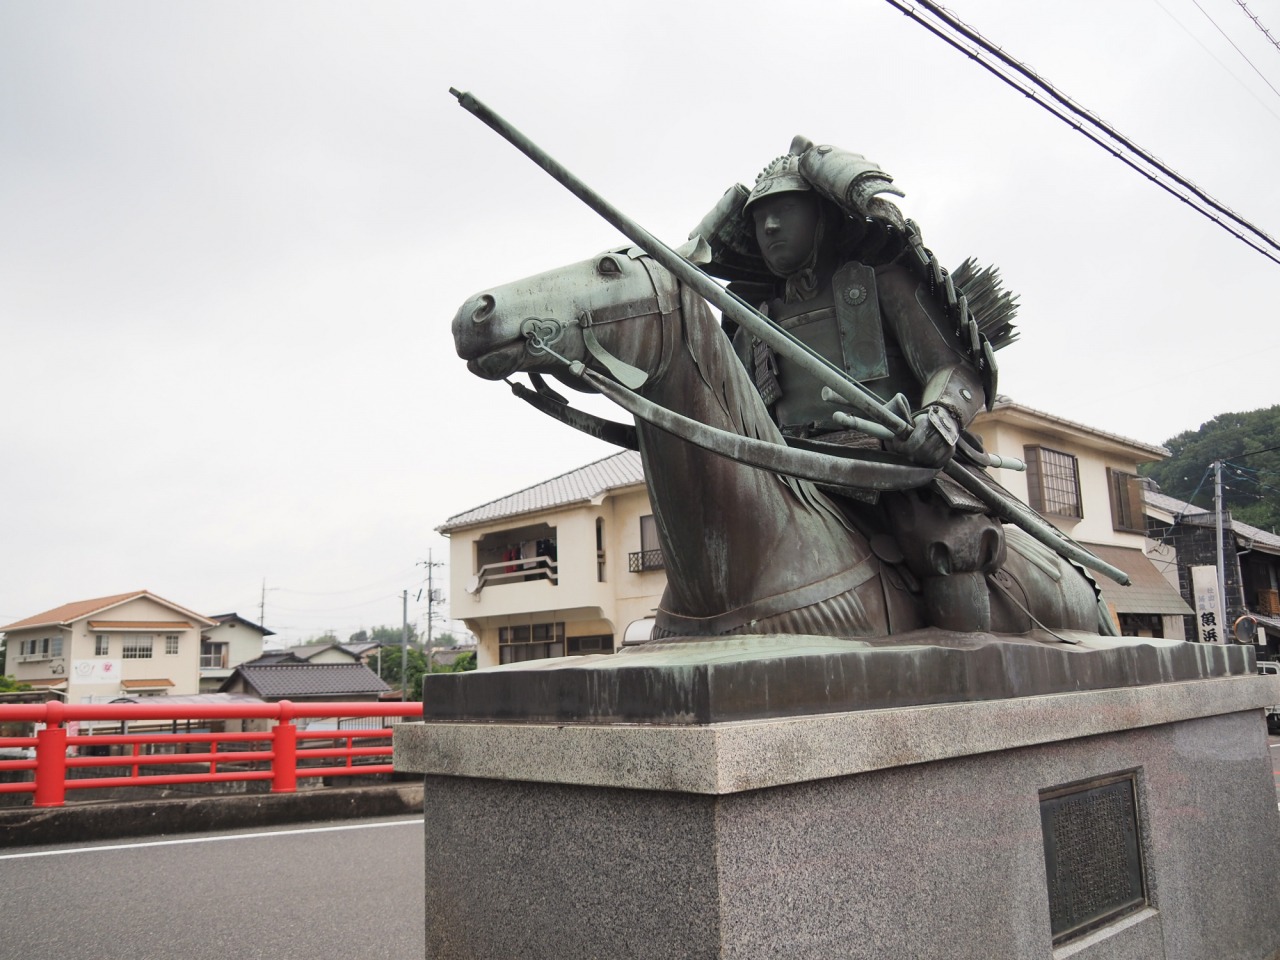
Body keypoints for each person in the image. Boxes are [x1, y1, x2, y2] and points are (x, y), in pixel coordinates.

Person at [690, 139, 1015, 631]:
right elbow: (726, 401)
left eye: (785, 210)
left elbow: (952, 368)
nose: (770, 226)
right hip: (787, 464)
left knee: (943, 542)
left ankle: (978, 672)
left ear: (822, 216)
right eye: (760, 217)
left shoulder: (884, 283)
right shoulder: (751, 318)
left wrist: (941, 416)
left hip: (887, 458)